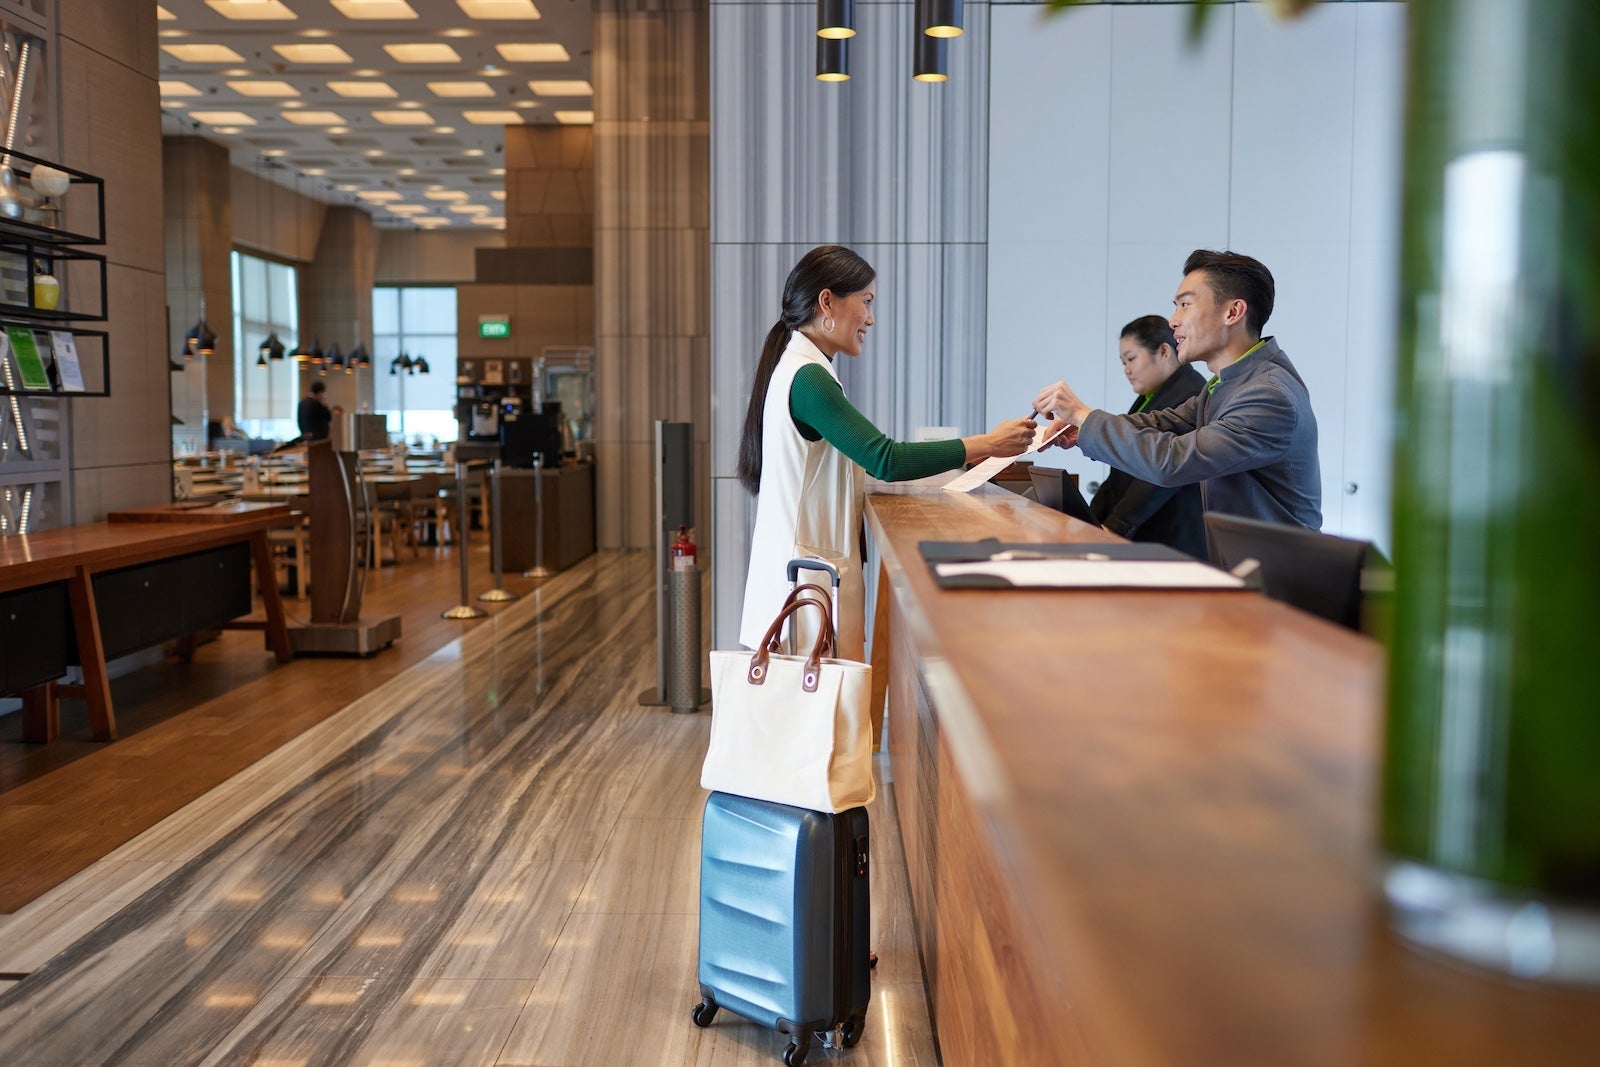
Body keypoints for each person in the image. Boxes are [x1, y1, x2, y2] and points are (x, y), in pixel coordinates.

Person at [739, 245, 1037, 658]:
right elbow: (885, 458)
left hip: (803, 580)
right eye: (866, 301)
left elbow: (862, 463)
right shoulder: (809, 378)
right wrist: (987, 442)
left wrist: (972, 455)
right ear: (827, 301)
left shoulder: (802, 366)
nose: (871, 318)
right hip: (805, 585)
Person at [1032, 249, 1321, 533]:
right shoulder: (1228, 384)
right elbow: (1159, 423)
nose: (1173, 321)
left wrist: (1085, 415)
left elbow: (1174, 461)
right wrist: (1083, 427)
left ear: (1233, 312)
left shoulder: (1267, 395)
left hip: (1278, 575)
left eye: (1185, 305)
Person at [1087, 315, 1208, 558]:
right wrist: (1089, 521)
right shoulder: (1150, 395)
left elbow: (1158, 476)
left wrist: (1115, 526)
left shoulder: (1192, 393)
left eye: (1131, 358)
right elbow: (1120, 468)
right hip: (1146, 534)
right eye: (1123, 362)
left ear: (1164, 351)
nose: (1127, 370)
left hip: (1172, 539)